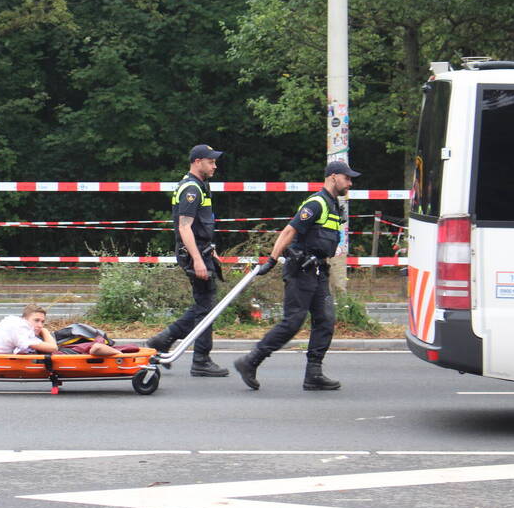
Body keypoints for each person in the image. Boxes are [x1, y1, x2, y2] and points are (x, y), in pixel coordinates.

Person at [233, 160, 361, 391]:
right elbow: (289, 231)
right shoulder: (316, 203)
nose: (350, 183)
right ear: (333, 177)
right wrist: (271, 260)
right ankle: (250, 362)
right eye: (347, 178)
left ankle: (313, 374)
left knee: (325, 321)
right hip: (301, 270)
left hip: (319, 270)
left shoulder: (333, 204)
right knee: (293, 322)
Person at [146, 144, 229, 377]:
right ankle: (200, 359)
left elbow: (201, 226)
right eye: (211, 161)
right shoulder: (191, 188)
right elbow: (185, 227)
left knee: (205, 305)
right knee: (206, 307)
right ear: (197, 162)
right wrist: (197, 259)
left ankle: (163, 340)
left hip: (201, 251)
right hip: (194, 254)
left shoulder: (200, 186)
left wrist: (209, 250)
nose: (215, 165)